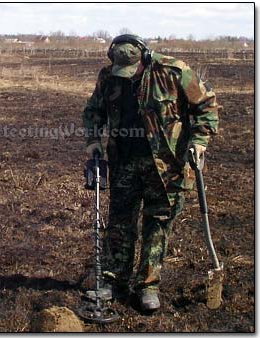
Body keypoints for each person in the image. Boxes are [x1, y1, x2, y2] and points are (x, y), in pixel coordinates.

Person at [82, 34, 220, 311]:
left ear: (145, 58)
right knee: (120, 222)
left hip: (166, 165)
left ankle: (148, 286)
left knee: (157, 224)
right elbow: (94, 110)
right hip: (124, 160)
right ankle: (113, 280)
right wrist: (94, 141)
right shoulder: (109, 76)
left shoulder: (174, 71)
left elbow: (206, 107)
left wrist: (199, 142)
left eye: (132, 72)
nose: (127, 77)